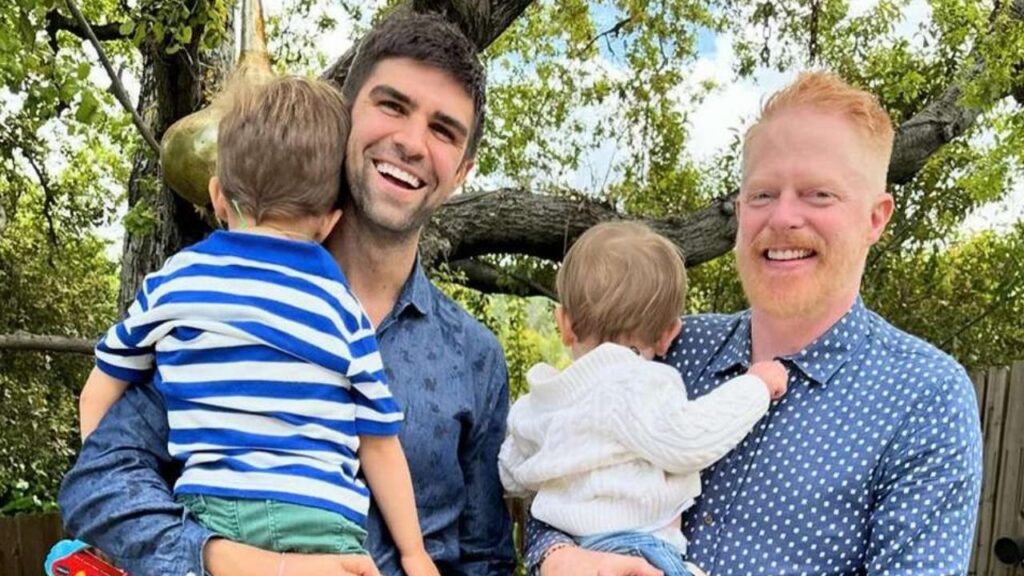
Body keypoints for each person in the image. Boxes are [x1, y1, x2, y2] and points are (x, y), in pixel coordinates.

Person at [58, 12, 515, 576]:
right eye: (392, 106)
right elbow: (99, 485)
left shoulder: (475, 358)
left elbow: (486, 559)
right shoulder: (212, 301)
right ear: (345, 118)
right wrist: (234, 561)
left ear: (463, 170)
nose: (411, 142)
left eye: (443, 130)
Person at [527, 72, 983, 575]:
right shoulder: (668, 348)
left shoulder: (924, 398)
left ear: (876, 217)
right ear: (741, 210)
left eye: (818, 194)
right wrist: (556, 556)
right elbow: (564, 468)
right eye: (763, 194)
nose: (783, 218)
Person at [499, 221, 788, 576]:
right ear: (669, 334)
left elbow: (511, 473)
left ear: (564, 323)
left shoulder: (538, 402)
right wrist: (756, 386)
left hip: (578, 551)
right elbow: (689, 437)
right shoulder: (637, 384)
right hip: (639, 549)